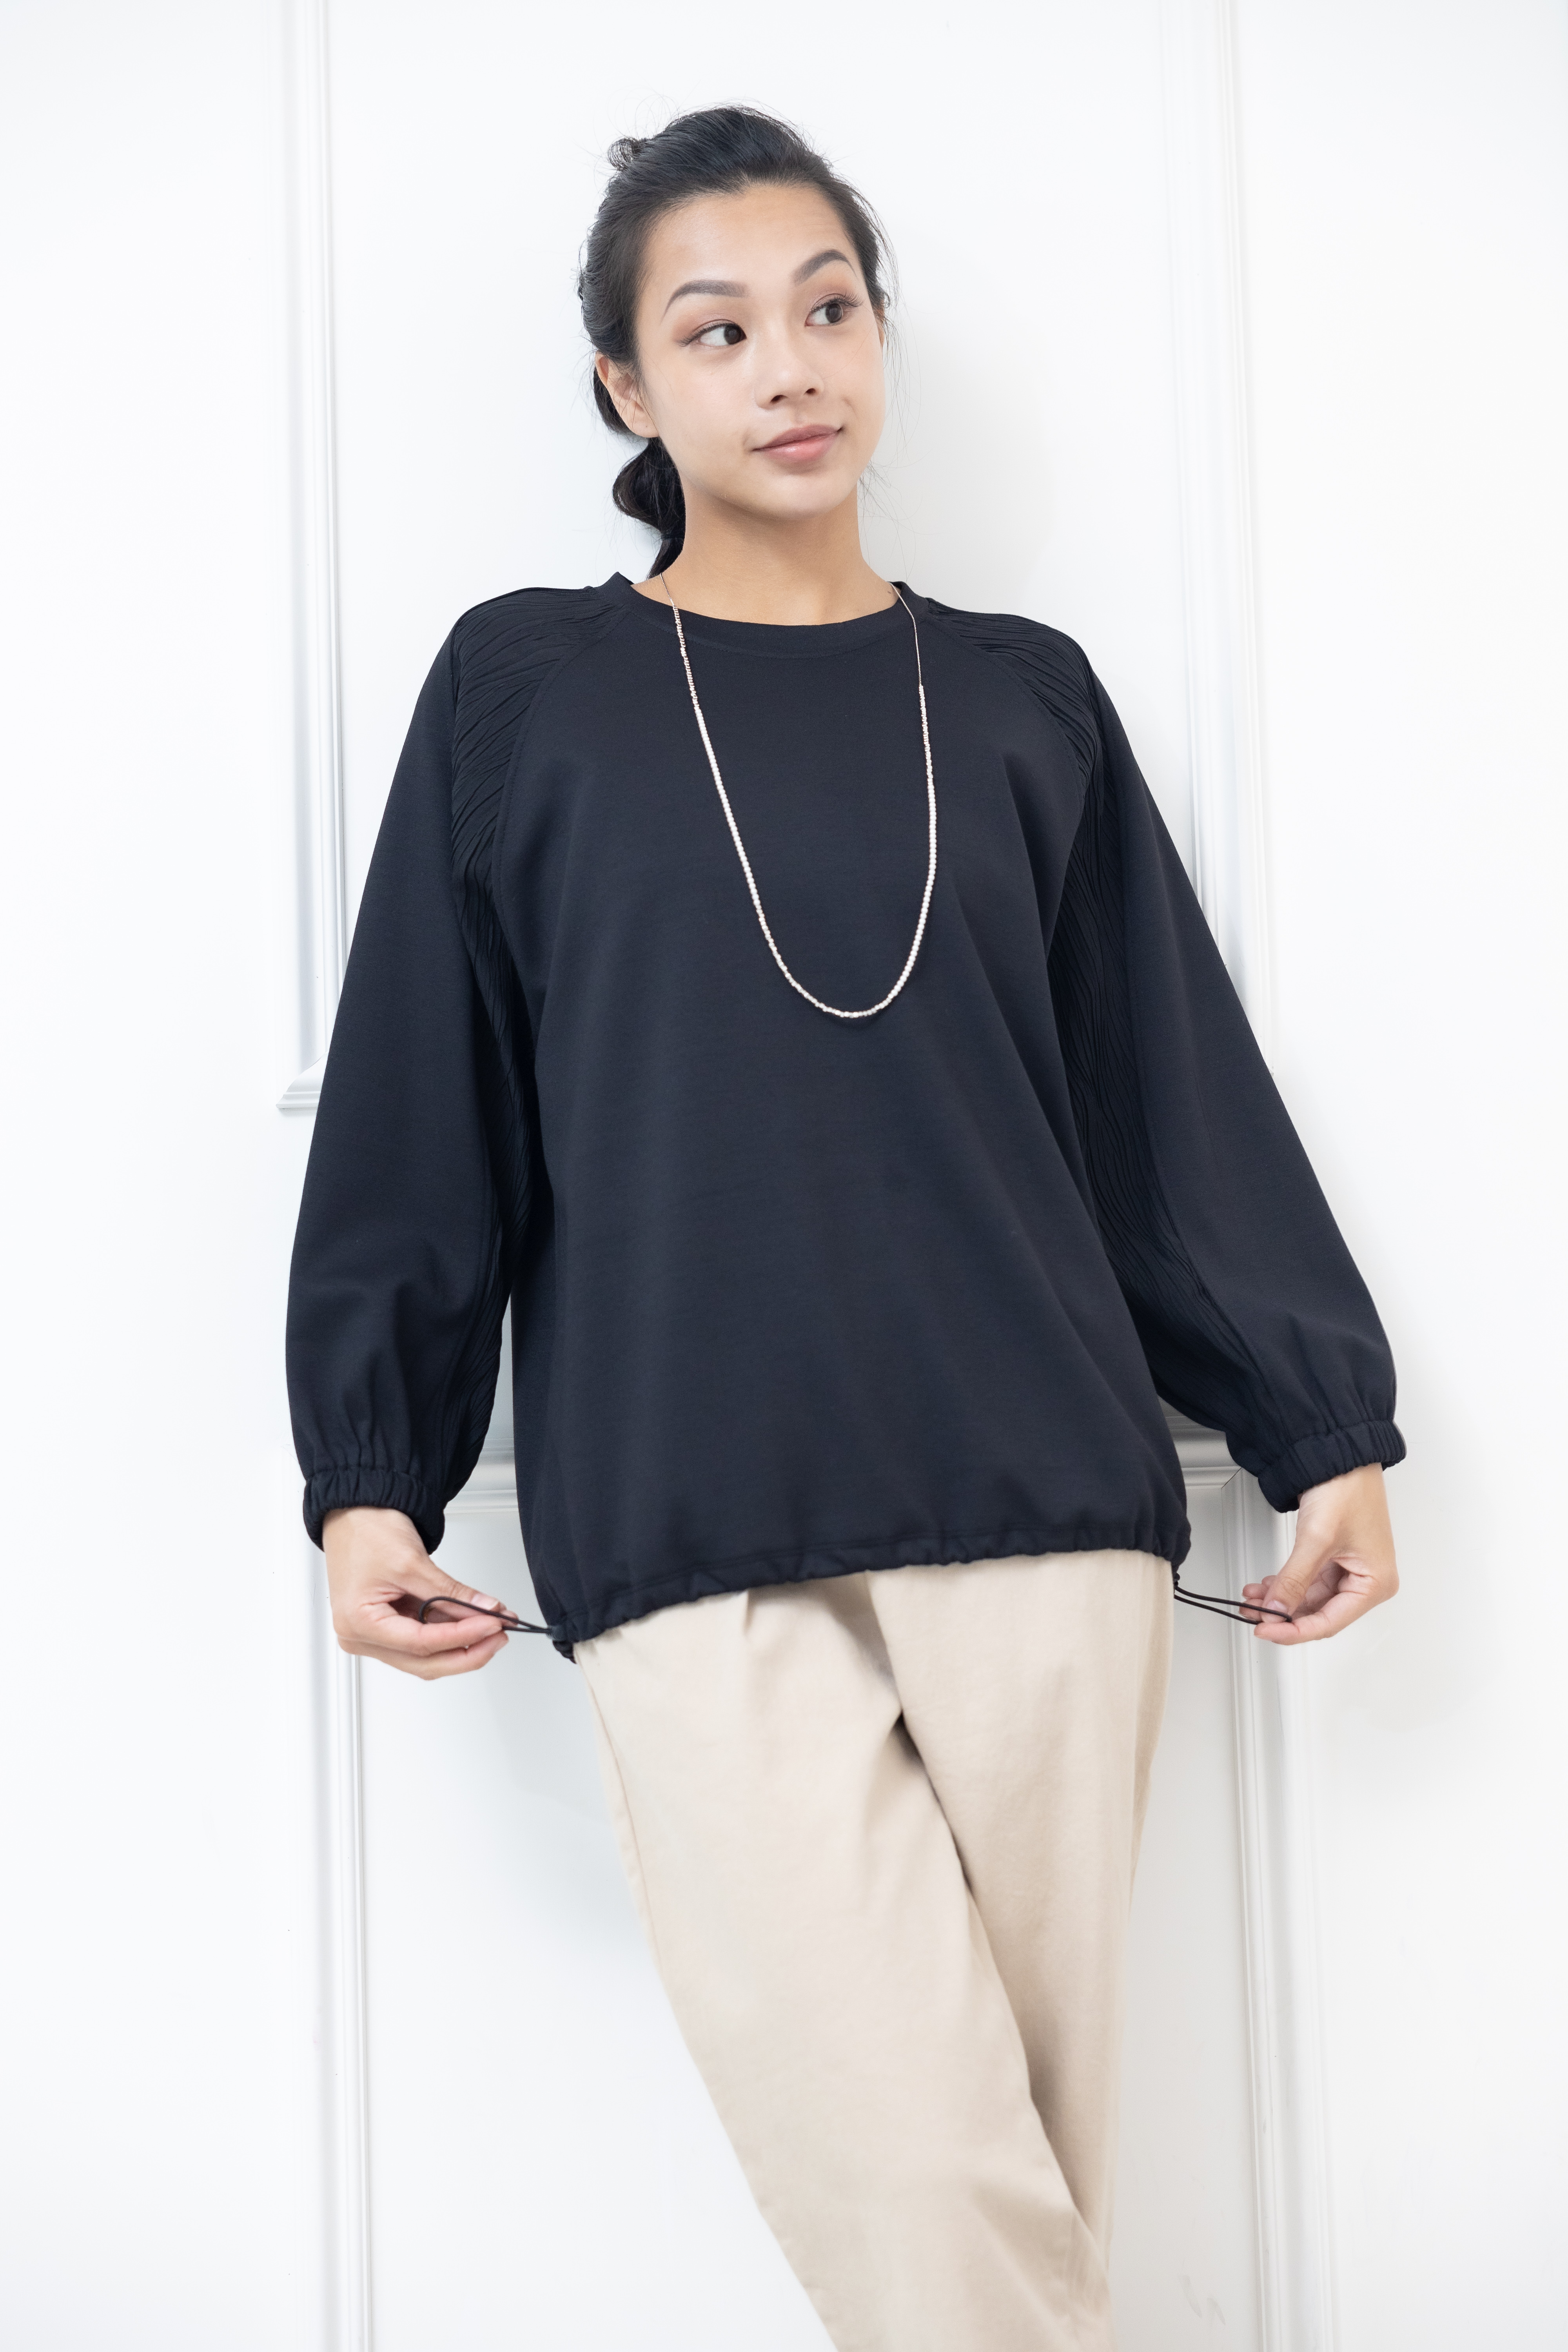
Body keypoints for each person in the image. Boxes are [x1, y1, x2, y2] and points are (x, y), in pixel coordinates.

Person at [286, 105, 1403, 2352]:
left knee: (1013, 2205)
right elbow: (427, 1092)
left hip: (1047, 1517)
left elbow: (1158, 1096)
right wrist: (368, 1467)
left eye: (829, 308)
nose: (790, 365)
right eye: (717, 330)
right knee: (926, 2188)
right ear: (626, 385)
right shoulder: (525, 690)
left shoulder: (1020, 695)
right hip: (689, 1527)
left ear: (880, 336)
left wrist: (1326, 1425)